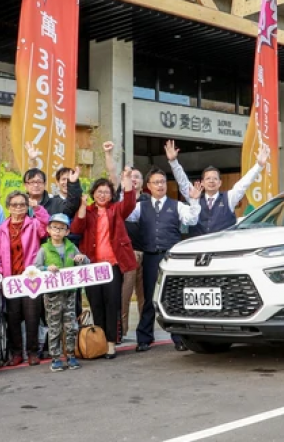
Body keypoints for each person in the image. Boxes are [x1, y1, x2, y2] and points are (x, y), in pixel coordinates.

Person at [126, 168, 202, 352]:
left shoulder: (176, 205)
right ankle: (144, 338)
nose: (160, 185)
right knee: (150, 298)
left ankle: (179, 338)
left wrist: (194, 200)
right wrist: (126, 186)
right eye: (156, 182)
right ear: (148, 186)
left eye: (162, 182)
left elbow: (192, 219)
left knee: (174, 297)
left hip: (171, 258)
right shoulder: (140, 207)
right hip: (151, 257)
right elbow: (125, 214)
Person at [70, 170, 139, 359]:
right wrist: (83, 208)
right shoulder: (88, 210)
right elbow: (76, 229)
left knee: (112, 303)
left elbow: (130, 203)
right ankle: (97, 342)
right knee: (96, 304)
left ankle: (110, 343)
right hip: (92, 266)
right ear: (93, 193)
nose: (103, 195)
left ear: (111, 195)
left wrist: (126, 180)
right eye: (99, 191)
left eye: (106, 192)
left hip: (112, 265)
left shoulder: (116, 209)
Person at [165, 140, 267, 237]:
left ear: (220, 183)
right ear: (202, 183)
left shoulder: (229, 198)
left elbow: (243, 184)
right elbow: (183, 182)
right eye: (208, 179)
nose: (211, 181)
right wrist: (173, 162)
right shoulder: (195, 197)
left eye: (215, 179)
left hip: (222, 249)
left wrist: (259, 166)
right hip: (198, 248)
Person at [0, 190, 50, 366]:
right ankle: (16, 352)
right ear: (8, 207)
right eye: (14, 205)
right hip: (11, 280)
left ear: (27, 207)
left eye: (22, 205)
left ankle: (33, 351)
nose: (18, 208)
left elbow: (46, 226)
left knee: (32, 315)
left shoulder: (33, 224)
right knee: (13, 317)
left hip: (30, 277)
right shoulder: (2, 229)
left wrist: (37, 208)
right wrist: (0, 273)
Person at [103, 141, 147, 342]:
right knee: (124, 295)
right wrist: (109, 154)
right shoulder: (120, 201)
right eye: (130, 176)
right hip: (126, 255)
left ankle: (145, 332)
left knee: (145, 296)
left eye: (137, 176)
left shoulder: (149, 200)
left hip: (145, 252)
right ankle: (121, 331)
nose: (133, 179)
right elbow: (112, 174)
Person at [36, 213, 88, 371]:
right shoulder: (44, 250)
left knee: (70, 325)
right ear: (48, 230)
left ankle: (71, 355)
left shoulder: (71, 247)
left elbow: (85, 264)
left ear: (67, 231)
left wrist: (82, 259)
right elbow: (35, 269)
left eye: (61, 228)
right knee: (54, 326)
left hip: (70, 293)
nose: (57, 231)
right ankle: (55, 357)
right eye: (54, 227)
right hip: (52, 295)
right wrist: (46, 268)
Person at [23, 141, 84, 219]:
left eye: (39, 182)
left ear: (45, 184)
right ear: (25, 185)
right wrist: (32, 161)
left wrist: (73, 184)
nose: (36, 185)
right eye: (32, 182)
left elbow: (72, 207)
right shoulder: (20, 203)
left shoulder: (56, 203)